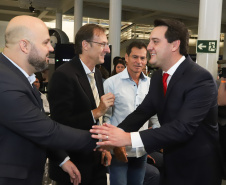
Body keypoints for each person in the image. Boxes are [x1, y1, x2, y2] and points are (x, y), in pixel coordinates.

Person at [90, 19, 222, 185]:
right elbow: (143, 112)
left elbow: (182, 128)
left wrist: (127, 138)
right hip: (171, 164)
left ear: (174, 45)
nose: (149, 46)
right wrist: (111, 137)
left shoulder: (200, 79)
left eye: (155, 41)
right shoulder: (159, 77)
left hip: (197, 170)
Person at [0, 15, 98, 185]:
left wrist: (62, 159)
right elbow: (48, 131)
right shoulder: (5, 81)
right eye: (45, 42)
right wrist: (103, 139)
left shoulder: (16, 77)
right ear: (24, 45)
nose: (51, 49)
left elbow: (35, 127)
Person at [48, 24, 115, 185]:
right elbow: (59, 124)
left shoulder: (97, 73)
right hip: (74, 165)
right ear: (85, 45)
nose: (108, 50)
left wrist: (103, 146)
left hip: (96, 159)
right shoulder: (64, 75)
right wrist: (97, 112)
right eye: (103, 44)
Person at [103, 40, 160, 185]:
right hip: (118, 151)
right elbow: (106, 117)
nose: (139, 62)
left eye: (142, 58)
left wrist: (156, 140)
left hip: (141, 149)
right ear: (126, 57)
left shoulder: (151, 84)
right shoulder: (111, 83)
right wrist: (114, 144)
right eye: (135, 57)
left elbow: (155, 116)